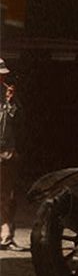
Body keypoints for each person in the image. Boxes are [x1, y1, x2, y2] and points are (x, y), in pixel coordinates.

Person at [0, 58, 27, 251]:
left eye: (3, 74)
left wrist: (10, 102)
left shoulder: (11, 98)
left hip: (7, 153)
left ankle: (6, 236)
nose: (2, 77)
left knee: (8, 196)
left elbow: (19, 123)